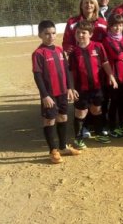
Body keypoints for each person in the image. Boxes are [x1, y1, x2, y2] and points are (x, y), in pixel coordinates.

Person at [32, 20, 81, 164]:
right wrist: (45, 95)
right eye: (46, 34)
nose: (50, 36)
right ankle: (53, 150)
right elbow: (37, 76)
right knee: (49, 119)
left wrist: (70, 88)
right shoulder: (38, 53)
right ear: (40, 35)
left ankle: (62, 147)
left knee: (63, 118)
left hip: (62, 92)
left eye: (53, 33)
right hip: (50, 94)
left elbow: (66, 70)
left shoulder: (59, 50)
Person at [69, 21, 118, 149]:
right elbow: (71, 71)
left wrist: (111, 76)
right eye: (78, 33)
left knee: (97, 110)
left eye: (83, 33)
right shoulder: (73, 53)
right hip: (81, 89)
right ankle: (78, 138)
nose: (80, 35)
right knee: (81, 113)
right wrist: (71, 88)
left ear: (90, 34)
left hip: (97, 87)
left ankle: (99, 133)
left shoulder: (98, 46)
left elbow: (105, 62)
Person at [102, 14, 123, 138]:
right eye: (115, 26)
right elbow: (117, 55)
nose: (118, 28)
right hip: (114, 77)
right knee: (114, 102)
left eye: (120, 25)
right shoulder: (107, 40)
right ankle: (112, 127)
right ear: (109, 27)